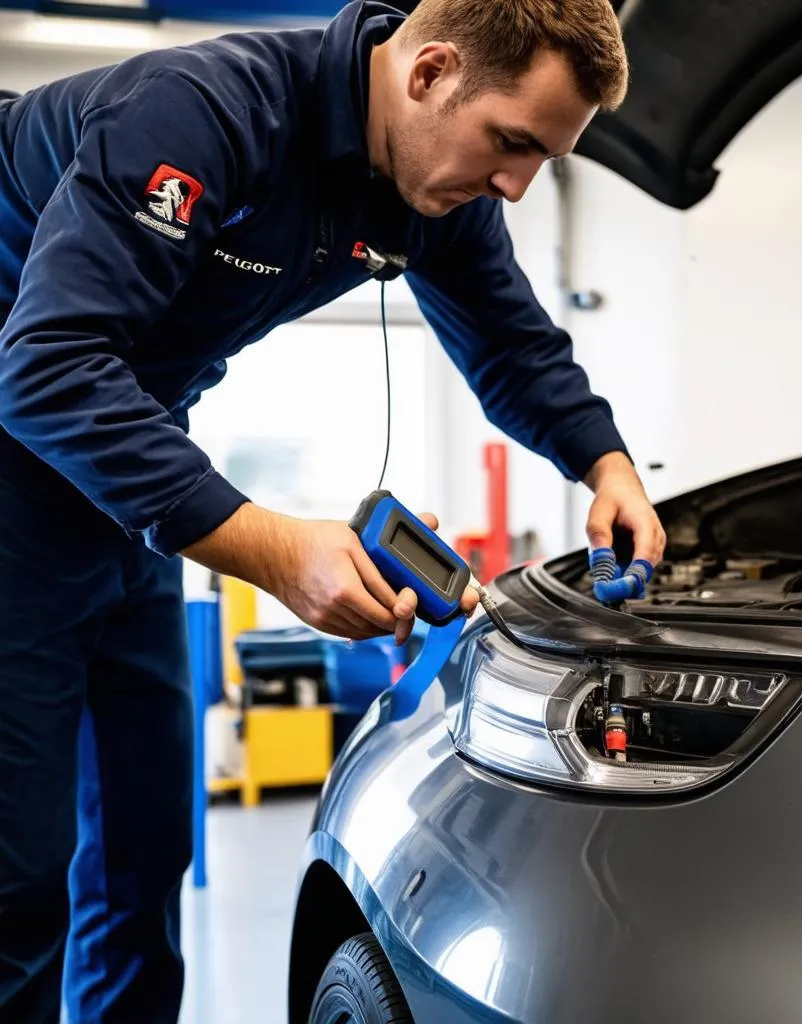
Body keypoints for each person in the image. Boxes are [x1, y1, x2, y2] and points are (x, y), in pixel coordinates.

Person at [0, 0, 666, 1019]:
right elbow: (45, 369)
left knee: (142, 849)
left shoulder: (427, 184)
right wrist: (269, 547)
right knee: (16, 875)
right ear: (430, 72)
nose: (515, 186)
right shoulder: (197, 116)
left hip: (130, 459)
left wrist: (603, 461)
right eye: (512, 143)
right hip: (19, 452)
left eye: (544, 162)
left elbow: (509, 340)